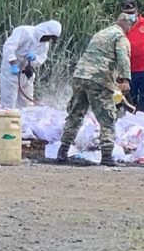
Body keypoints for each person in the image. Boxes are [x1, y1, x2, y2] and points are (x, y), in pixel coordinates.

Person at [56, 13, 133, 167]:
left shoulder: (101, 34)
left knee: (75, 114)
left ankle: (62, 151)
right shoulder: (120, 37)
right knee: (107, 118)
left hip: (80, 76)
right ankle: (107, 156)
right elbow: (123, 58)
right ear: (127, 24)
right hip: (99, 79)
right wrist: (125, 79)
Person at [0, 20, 63, 109]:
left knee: (26, 103)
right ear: (45, 31)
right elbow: (9, 47)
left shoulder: (44, 45)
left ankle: (23, 117)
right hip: (11, 69)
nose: (49, 40)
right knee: (9, 99)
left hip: (25, 72)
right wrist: (13, 64)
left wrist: (34, 58)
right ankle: (8, 116)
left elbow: (41, 59)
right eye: (50, 37)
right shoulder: (24, 31)